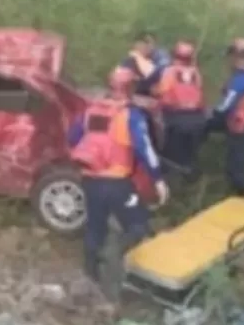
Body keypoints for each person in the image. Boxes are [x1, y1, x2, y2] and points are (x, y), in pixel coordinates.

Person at [69, 66, 169, 294]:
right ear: (131, 87)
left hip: (91, 181)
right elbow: (145, 150)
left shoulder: (91, 111)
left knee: (95, 225)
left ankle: (91, 272)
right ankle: (129, 265)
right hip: (118, 184)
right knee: (138, 223)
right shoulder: (130, 115)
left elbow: (73, 138)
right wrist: (158, 180)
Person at [208, 38, 244, 195]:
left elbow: (226, 105)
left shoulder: (241, 78)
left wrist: (211, 113)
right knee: (241, 160)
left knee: (236, 169)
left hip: (242, 124)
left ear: (236, 57)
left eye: (231, 56)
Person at [152, 40, 206, 179]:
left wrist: (153, 90)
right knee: (190, 152)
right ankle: (190, 178)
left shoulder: (170, 71)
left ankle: (169, 179)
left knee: (170, 153)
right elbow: (199, 90)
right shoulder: (195, 72)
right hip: (197, 117)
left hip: (176, 117)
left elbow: (162, 91)